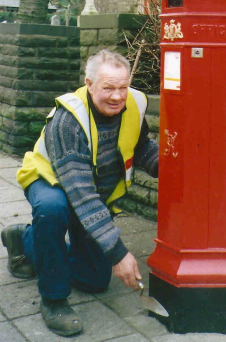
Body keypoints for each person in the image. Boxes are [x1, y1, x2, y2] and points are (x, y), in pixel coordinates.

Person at [1, 49, 158, 337]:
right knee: (53, 210)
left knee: (96, 280)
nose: (117, 96)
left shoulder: (133, 103)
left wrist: (170, 165)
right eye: (108, 88)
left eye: (122, 87)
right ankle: (54, 299)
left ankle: (24, 239)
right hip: (52, 181)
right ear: (89, 84)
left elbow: (140, 145)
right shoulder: (68, 121)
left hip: (91, 190)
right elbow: (82, 195)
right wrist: (119, 253)